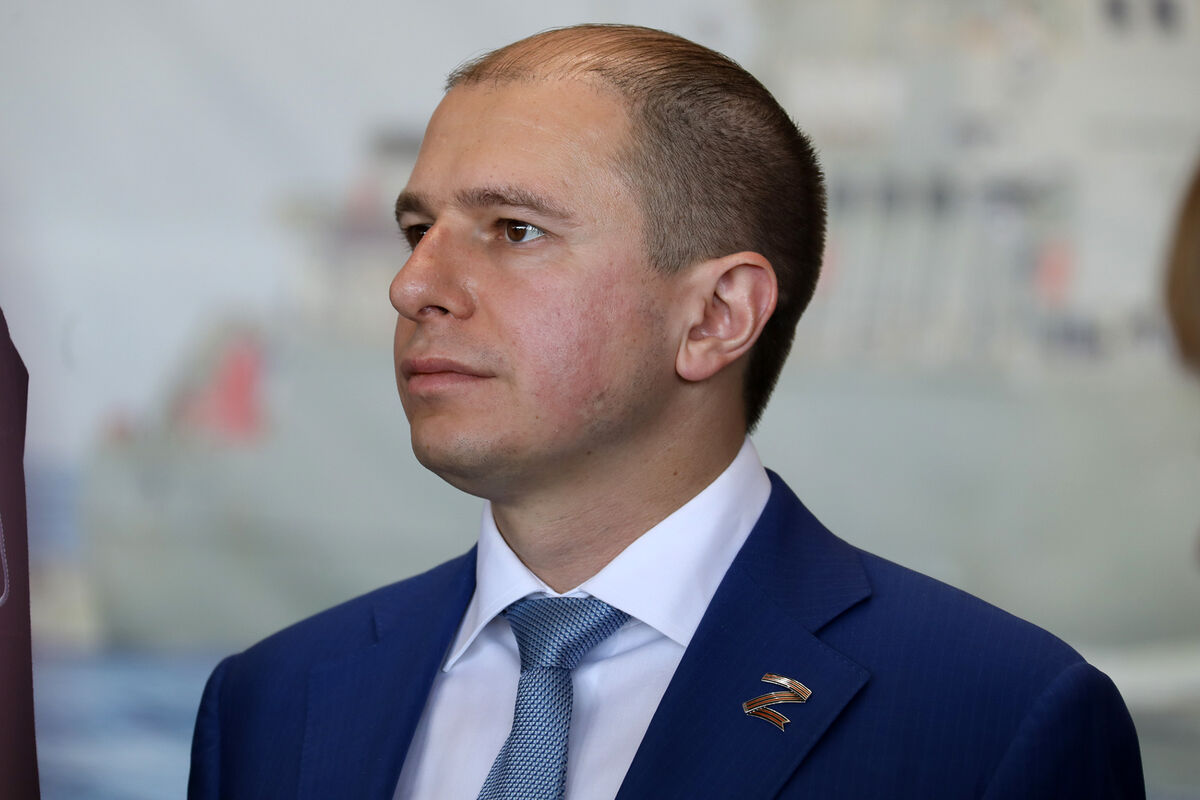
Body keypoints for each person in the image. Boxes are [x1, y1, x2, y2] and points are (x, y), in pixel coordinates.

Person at [188, 24, 1144, 799]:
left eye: (514, 230)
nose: (411, 286)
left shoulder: (995, 721)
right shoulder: (270, 704)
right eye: (416, 230)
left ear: (717, 316)